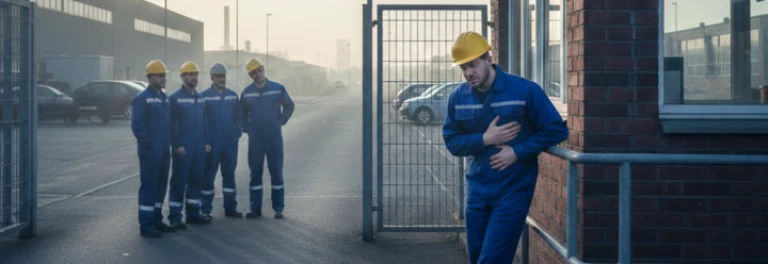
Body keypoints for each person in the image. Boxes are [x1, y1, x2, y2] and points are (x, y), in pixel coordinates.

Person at [442, 31, 568, 263]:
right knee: (478, 257)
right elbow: (452, 141)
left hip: (513, 191)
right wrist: (485, 139)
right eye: (463, 68)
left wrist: (517, 152)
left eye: (472, 65)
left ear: (489, 60)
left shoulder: (525, 91)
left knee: (492, 260)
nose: (468, 73)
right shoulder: (458, 98)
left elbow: (556, 130)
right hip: (477, 190)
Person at [240, 58, 295, 219]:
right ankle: (255, 208)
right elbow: (241, 113)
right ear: (251, 75)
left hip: (274, 137)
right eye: (254, 73)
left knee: (276, 172)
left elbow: (289, 105)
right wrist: (247, 129)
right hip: (256, 139)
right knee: (255, 173)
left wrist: (281, 120)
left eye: (259, 70)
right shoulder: (247, 92)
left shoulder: (277, 88)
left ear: (264, 70)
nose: (258, 75)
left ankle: (278, 208)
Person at [132, 60, 175, 238]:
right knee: (149, 187)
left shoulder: (164, 97)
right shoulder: (142, 99)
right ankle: (146, 225)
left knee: (160, 186)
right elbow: (137, 126)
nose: (163, 78)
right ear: (150, 78)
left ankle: (157, 219)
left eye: (164, 75)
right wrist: (148, 145)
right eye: (159, 76)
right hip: (151, 152)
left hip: (164, 151)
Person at [167, 61, 212, 228]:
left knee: (197, 181)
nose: (194, 77)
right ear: (183, 77)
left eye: (196, 74)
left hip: (199, 147)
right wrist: (177, 144)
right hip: (183, 148)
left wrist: (206, 142)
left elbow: (205, 122)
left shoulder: (200, 99)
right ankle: (175, 216)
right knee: (179, 181)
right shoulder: (175, 98)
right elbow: (173, 124)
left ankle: (193, 213)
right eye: (191, 74)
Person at [200, 63, 244, 218]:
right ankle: (205, 209)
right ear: (211, 77)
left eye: (223, 75)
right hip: (212, 144)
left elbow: (239, 117)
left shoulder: (232, 95)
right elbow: (201, 120)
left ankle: (230, 207)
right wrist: (205, 141)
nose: (221, 79)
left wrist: (237, 132)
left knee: (229, 175)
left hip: (230, 144)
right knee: (208, 177)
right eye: (218, 76)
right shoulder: (204, 96)